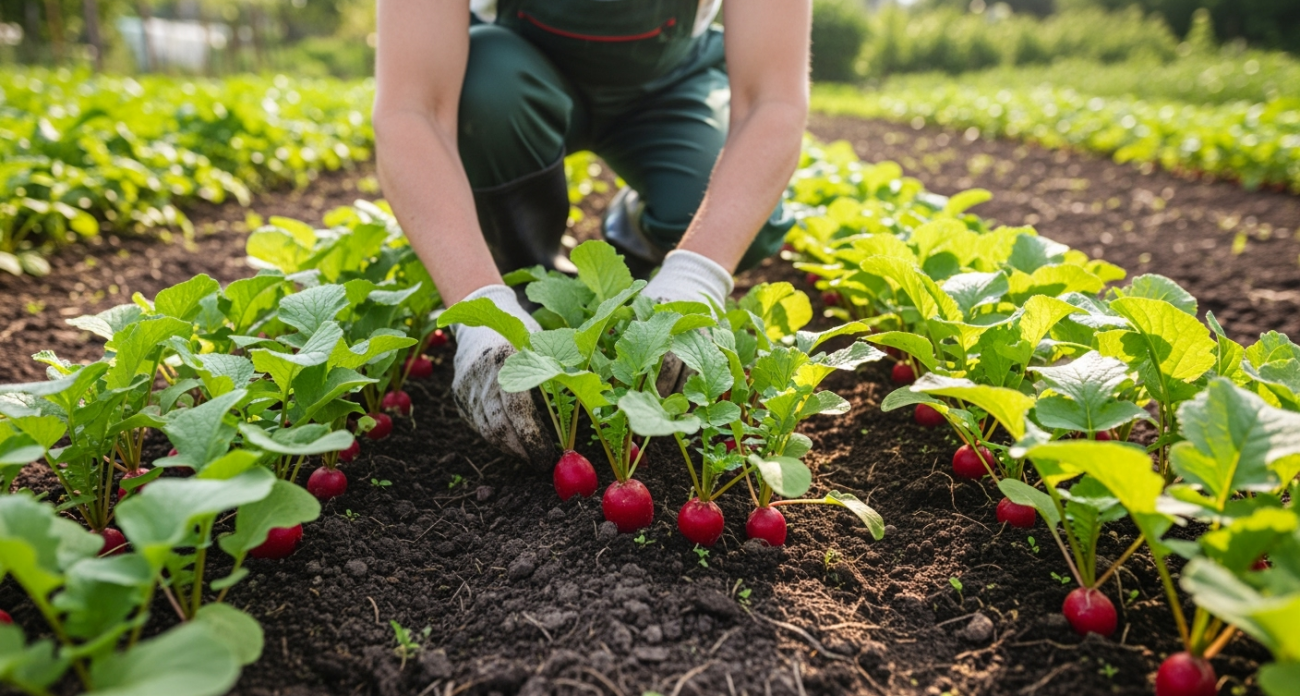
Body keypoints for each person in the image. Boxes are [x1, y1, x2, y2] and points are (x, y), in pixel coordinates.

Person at [373, 0, 811, 470]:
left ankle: (638, 238)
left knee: (749, 218)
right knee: (486, 95)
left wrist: (697, 274)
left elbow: (774, 99)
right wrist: (476, 307)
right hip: (516, 75)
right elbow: (411, 110)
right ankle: (521, 274)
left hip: (669, 82)